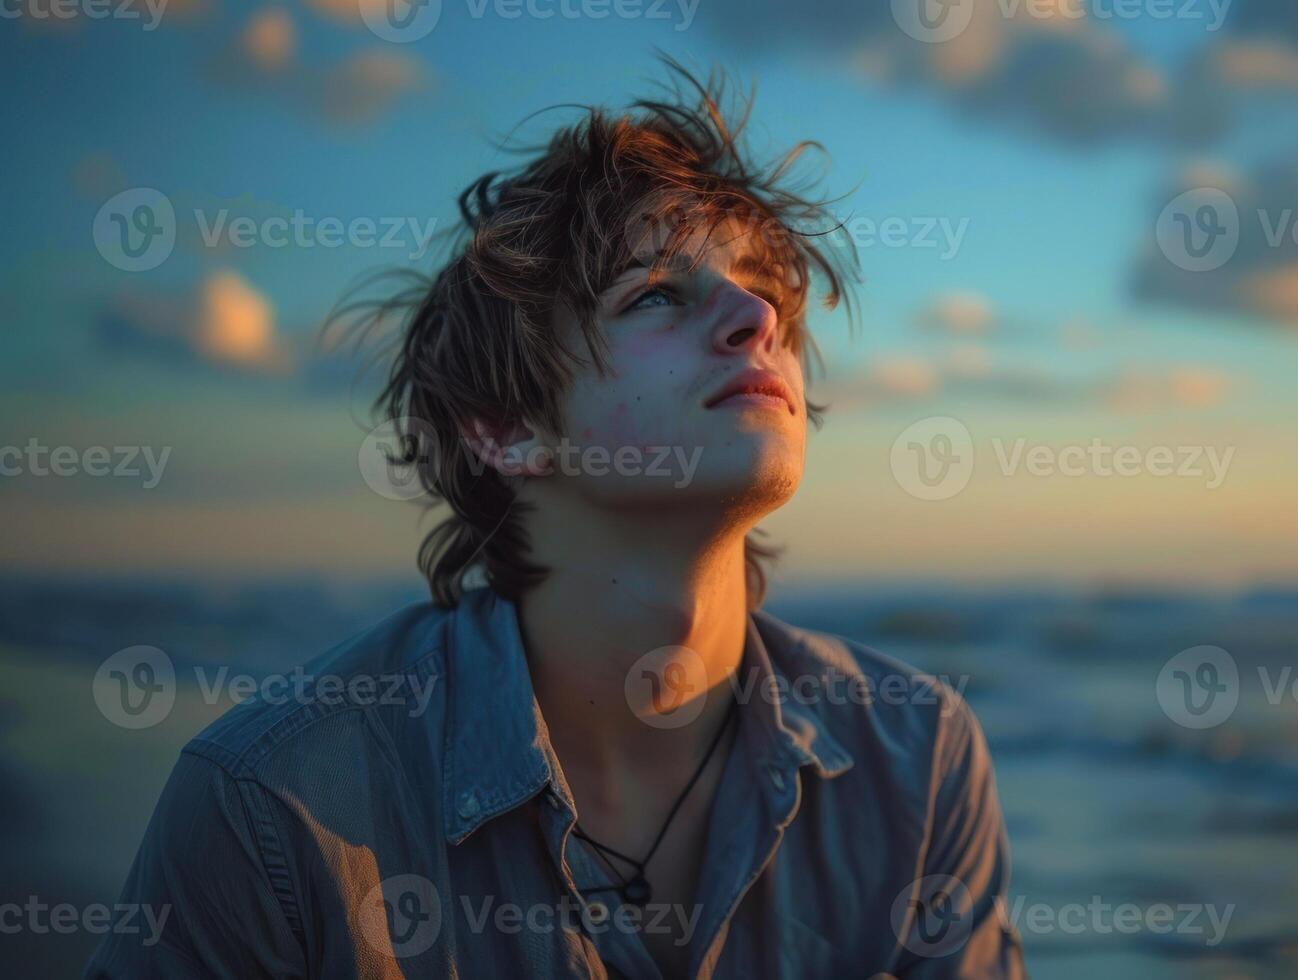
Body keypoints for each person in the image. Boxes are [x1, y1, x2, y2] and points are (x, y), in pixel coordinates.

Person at [87, 63, 1024, 979]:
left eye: (763, 293)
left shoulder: (917, 762)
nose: (755, 316)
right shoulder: (275, 807)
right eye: (655, 293)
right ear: (506, 427)